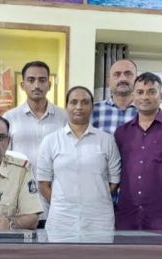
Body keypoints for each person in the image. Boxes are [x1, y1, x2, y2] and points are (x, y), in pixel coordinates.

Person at [37, 86, 121, 236]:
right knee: (61, 252)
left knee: (99, 252)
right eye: (73, 102)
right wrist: (63, 203)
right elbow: (43, 184)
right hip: (61, 219)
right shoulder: (50, 141)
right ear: (66, 106)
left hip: (99, 219)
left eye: (85, 102)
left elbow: (114, 181)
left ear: (92, 107)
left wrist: (94, 199)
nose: (79, 107)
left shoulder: (106, 140)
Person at [114, 72, 162, 231]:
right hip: (127, 217)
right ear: (133, 96)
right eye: (140, 92)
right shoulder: (122, 133)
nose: (145, 97)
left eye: (151, 92)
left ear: (161, 96)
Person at [4, 61, 68, 223]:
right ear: (22, 85)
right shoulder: (10, 118)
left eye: (42, 80)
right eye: (31, 80)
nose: (37, 85)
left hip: (58, 199)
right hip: (21, 201)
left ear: (49, 84)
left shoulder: (64, 118)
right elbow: (4, 161)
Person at [92, 59, 139, 134]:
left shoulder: (147, 112)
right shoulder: (93, 110)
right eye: (117, 74)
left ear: (137, 80)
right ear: (109, 81)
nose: (123, 79)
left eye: (128, 74)